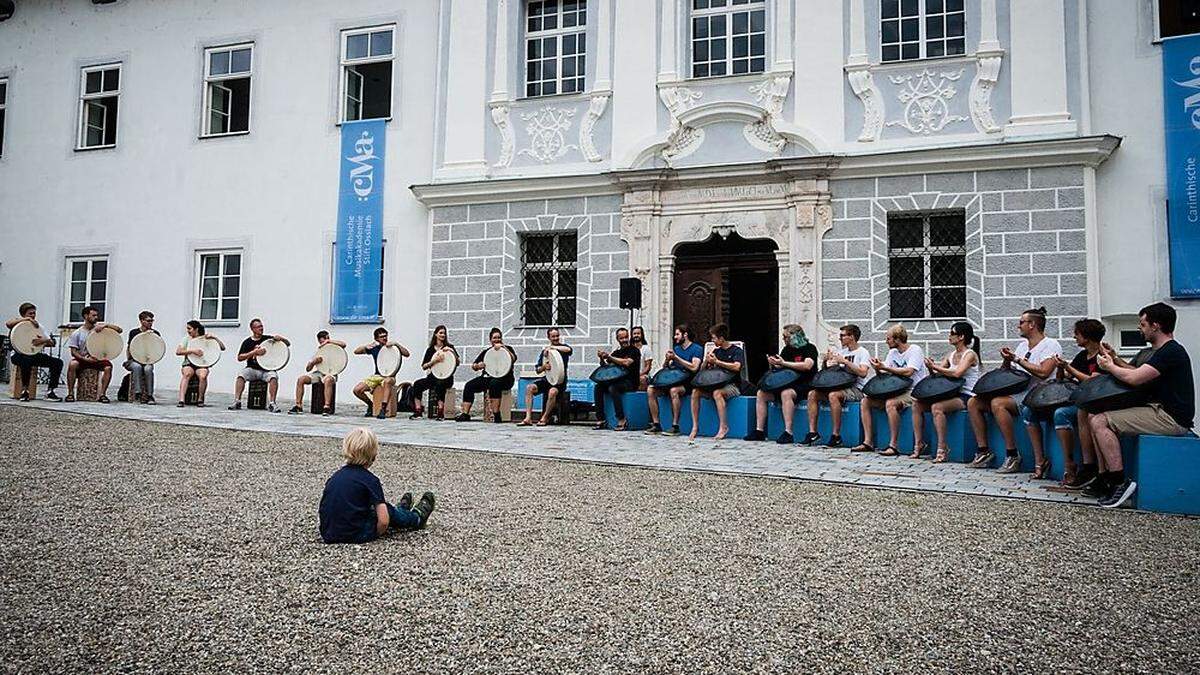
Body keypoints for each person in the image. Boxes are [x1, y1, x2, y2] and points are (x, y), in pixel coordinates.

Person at [1086, 302, 1194, 508]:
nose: (1139, 328)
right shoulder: (1161, 351)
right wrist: (1115, 359)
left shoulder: (1170, 352)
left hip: (1169, 418)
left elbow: (1135, 378)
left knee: (1101, 421)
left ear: (1156, 326)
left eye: (1143, 324)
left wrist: (1109, 366)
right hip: (1159, 411)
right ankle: (1107, 478)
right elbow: (1138, 372)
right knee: (1095, 415)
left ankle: (1119, 483)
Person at [967, 307, 1061, 474]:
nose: (1019, 326)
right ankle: (983, 451)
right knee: (974, 402)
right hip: (1019, 393)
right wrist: (1007, 362)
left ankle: (1012, 455)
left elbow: (1044, 372)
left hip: (1039, 394)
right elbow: (1012, 374)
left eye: (1021, 323)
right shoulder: (1022, 346)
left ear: (1032, 324)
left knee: (998, 403)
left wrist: (1017, 359)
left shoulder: (1051, 345)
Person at [318, 428, 436, 544]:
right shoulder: (370, 480)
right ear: (373, 456)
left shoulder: (335, 477)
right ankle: (416, 518)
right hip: (355, 535)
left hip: (329, 533)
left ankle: (401, 511)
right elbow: (384, 521)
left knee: (366, 508)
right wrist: (377, 533)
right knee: (388, 510)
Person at [1028, 319, 1106, 486]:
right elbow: (1062, 379)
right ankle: (1040, 460)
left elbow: (1092, 382)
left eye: (1077, 334)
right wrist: (1061, 368)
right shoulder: (1082, 355)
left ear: (1087, 336)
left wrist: (1069, 368)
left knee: (1061, 414)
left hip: (1091, 402)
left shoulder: (1103, 356)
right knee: (1030, 411)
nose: (1074, 337)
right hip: (1078, 399)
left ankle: (1074, 464)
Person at [853, 324, 928, 455]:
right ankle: (868, 442)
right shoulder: (892, 352)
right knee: (866, 401)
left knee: (891, 403)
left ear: (897, 339)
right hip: (896, 390)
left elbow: (908, 372)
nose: (886, 341)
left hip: (913, 390)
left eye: (888, 339)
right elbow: (885, 376)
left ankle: (893, 445)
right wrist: (877, 368)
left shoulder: (915, 350)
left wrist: (885, 368)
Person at [912, 322, 981, 463]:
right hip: (951, 393)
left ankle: (942, 448)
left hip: (967, 395)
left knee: (937, 407)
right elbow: (938, 373)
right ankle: (919, 444)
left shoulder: (970, 354)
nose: (949, 336)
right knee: (917, 405)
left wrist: (935, 367)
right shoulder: (951, 355)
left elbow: (957, 373)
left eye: (952, 333)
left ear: (961, 337)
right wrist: (931, 368)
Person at [745, 324, 818, 444]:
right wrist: (775, 363)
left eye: (786, 337)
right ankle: (759, 431)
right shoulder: (787, 349)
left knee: (786, 393)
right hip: (785, 382)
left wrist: (784, 363)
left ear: (795, 336)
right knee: (761, 393)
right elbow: (781, 366)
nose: (784, 339)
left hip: (803, 384)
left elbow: (807, 365)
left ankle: (788, 432)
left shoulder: (809, 348)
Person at [802, 324, 871, 447]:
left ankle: (836, 435)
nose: (840, 338)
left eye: (843, 335)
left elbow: (863, 373)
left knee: (833, 396)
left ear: (852, 337)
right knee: (812, 394)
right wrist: (825, 362)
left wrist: (845, 362)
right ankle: (813, 432)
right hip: (838, 386)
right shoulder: (841, 352)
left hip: (856, 388)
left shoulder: (862, 352)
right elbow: (830, 373)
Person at [688, 323, 746, 441]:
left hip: (732, 386)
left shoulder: (736, 351)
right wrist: (706, 361)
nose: (712, 340)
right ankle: (695, 426)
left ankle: (723, 427)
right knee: (695, 392)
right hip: (713, 384)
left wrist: (718, 362)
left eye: (714, 338)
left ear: (721, 338)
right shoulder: (716, 351)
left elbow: (736, 367)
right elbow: (702, 371)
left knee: (717, 393)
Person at [646, 324, 704, 435]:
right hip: (673, 379)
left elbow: (694, 367)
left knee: (674, 390)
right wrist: (667, 360)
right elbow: (665, 368)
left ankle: (675, 426)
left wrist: (677, 358)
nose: (675, 337)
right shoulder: (676, 349)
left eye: (677, 334)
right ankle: (656, 424)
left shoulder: (697, 349)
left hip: (688, 382)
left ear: (685, 335)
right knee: (650, 390)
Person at [455, 327, 518, 423]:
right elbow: (474, 366)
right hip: (487, 377)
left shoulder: (508, 349)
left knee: (494, 383)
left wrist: (503, 347)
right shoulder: (486, 352)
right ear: (490, 340)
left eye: (499, 337)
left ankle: (496, 415)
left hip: (505, 378)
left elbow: (513, 359)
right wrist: (478, 365)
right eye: (494, 338)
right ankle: (465, 414)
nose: (497, 340)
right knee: (469, 385)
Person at [228, 318, 290, 412]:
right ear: (253, 329)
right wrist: (254, 352)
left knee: (274, 377)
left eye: (261, 326)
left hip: (267, 370)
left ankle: (272, 403)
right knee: (241, 375)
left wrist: (281, 338)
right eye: (258, 327)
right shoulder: (247, 342)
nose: (261, 328)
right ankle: (237, 401)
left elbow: (288, 344)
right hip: (252, 369)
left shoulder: (268, 339)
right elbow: (240, 357)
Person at [5, 302, 63, 401]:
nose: (33, 316)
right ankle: (25, 391)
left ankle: (50, 391)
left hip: (33, 354)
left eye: (34, 313)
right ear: (23, 314)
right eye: (30, 313)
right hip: (18, 355)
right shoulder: (17, 324)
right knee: (26, 359)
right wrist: (27, 320)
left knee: (57, 362)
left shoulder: (38, 327)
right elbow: (8, 323)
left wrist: (43, 341)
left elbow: (52, 343)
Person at [517, 327, 574, 427]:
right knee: (529, 388)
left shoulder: (562, 348)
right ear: (549, 337)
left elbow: (569, 349)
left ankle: (545, 417)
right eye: (553, 336)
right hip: (547, 379)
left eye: (557, 336)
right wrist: (544, 367)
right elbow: (538, 370)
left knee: (552, 392)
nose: (556, 338)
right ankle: (528, 418)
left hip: (559, 382)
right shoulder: (545, 352)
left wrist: (553, 348)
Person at [65, 305, 121, 403]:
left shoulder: (100, 329)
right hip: (83, 359)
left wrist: (105, 325)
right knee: (72, 364)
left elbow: (119, 330)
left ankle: (102, 394)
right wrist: (85, 359)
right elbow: (73, 352)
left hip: (98, 359)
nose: (96, 317)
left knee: (108, 367)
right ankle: (70, 393)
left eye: (96, 315)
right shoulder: (77, 333)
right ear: (86, 316)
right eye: (93, 315)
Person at [351, 327, 410, 420]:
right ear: (377, 339)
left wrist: (397, 344)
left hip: (390, 376)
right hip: (377, 376)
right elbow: (356, 351)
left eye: (385, 336)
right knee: (357, 390)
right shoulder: (375, 348)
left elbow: (407, 354)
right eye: (382, 337)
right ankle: (371, 404)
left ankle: (383, 408)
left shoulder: (393, 347)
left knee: (387, 382)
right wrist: (366, 346)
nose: (385, 338)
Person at [592, 327, 641, 431]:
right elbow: (605, 367)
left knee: (613, 388)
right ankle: (601, 419)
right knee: (598, 387)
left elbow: (626, 362)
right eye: (621, 338)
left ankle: (621, 419)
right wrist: (602, 358)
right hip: (616, 380)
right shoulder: (616, 352)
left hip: (630, 382)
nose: (624, 340)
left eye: (626, 337)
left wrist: (609, 357)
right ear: (618, 339)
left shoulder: (634, 350)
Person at [289, 331, 346, 416]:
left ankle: (326, 407)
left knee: (328, 380)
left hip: (331, 373)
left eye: (324, 341)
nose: (322, 343)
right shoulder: (319, 352)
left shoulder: (335, 347)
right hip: (319, 373)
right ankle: (298, 405)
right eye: (321, 342)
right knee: (301, 379)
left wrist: (329, 341)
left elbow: (344, 344)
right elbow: (308, 369)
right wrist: (313, 362)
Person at [410, 325, 459, 420]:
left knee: (440, 384)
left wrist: (451, 351)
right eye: (440, 333)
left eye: (444, 333)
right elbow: (424, 366)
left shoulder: (449, 347)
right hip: (433, 376)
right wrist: (434, 361)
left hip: (447, 377)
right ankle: (418, 410)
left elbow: (457, 363)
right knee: (417, 384)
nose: (443, 335)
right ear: (436, 334)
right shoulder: (431, 349)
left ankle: (440, 412)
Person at [176, 320, 225, 407]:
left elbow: (222, 347)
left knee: (203, 375)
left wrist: (215, 338)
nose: (188, 331)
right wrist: (192, 351)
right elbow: (178, 352)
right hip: (189, 363)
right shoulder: (186, 339)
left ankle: (200, 398)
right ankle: (181, 399)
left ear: (196, 329)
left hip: (202, 364)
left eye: (189, 329)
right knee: (187, 373)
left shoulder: (205, 338)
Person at [123, 310, 160, 404]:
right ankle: (137, 393)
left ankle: (150, 395)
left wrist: (151, 337)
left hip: (147, 360)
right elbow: (130, 347)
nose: (150, 323)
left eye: (152, 321)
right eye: (148, 321)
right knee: (137, 367)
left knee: (148, 369)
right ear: (141, 321)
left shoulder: (155, 333)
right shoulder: (134, 332)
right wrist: (129, 359)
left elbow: (157, 350)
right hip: (134, 360)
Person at [631, 325, 653, 391]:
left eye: (638, 333)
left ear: (642, 335)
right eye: (634, 334)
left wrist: (637, 375)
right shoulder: (630, 349)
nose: (636, 335)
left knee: (642, 379)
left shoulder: (646, 349)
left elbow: (648, 367)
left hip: (643, 375)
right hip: (630, 376)